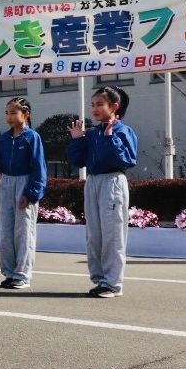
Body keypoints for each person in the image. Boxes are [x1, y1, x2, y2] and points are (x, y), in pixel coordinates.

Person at [67, 85, 138, 298]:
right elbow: (78, 161)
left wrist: (109, 139)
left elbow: (126, 160)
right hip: (93, 182)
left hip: (112, 182)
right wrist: (78, 140)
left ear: (114, 107)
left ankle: (113, 283)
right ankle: (99, 280)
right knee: (94, 235)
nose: (95, 109)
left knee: (112, 235)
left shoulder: (123, 131)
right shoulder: (92, 133)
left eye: (100, 104)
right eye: (93, 105)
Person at [0, 96, 47, 290]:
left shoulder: (32, 137)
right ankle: (9, 272)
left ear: (26, 114)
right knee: (5, 230)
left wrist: (31, 193)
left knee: (24, 231)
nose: (9, 116)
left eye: (14, 112)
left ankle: (22, 274)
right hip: (6, 183)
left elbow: (39, 168)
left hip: (24, 182)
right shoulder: (4, 139)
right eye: (7, 112)